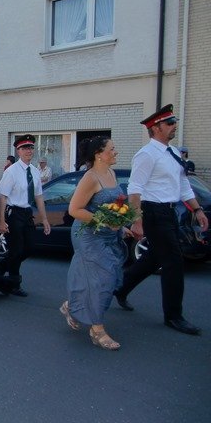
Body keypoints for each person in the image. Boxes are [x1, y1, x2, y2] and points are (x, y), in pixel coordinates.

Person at [114, 104, 208, 335]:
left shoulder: (172, 153)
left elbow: (183, 185)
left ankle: (120, 288)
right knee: (174, 262)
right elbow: (135, 189)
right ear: (155, 128)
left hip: (169, 212)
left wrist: (197, 210)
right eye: (169, 123)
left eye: (174, 122)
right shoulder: (146, 154)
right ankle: (173, 316)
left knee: (152, 258)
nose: (174, 126)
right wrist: (137, 221)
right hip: (153, 212)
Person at [60, 137, 127, 350]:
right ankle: (97, 330)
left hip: (108, 235)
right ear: (99, 154)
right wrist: (104, 221)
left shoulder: (111, 173)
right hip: (89, 235)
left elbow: (114, 206)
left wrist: (120, 224)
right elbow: (74, 209)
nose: (115, 152)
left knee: (110, 277)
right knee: (101, 280)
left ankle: (72, 306)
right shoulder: (90, 178)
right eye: (112, 149)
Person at [0, 134, 51, 296]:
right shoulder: (11, 171)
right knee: (16, 249)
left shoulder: (34, 171)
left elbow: (38, 196)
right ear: (18, 151)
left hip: (27, 213)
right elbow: (2, 197)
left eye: (31, 148)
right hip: (14, 213)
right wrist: (1, 221)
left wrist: (45, 219)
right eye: (25, 148)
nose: (29, 151)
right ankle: (14, 283)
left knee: (30, 247)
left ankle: (2, 265)